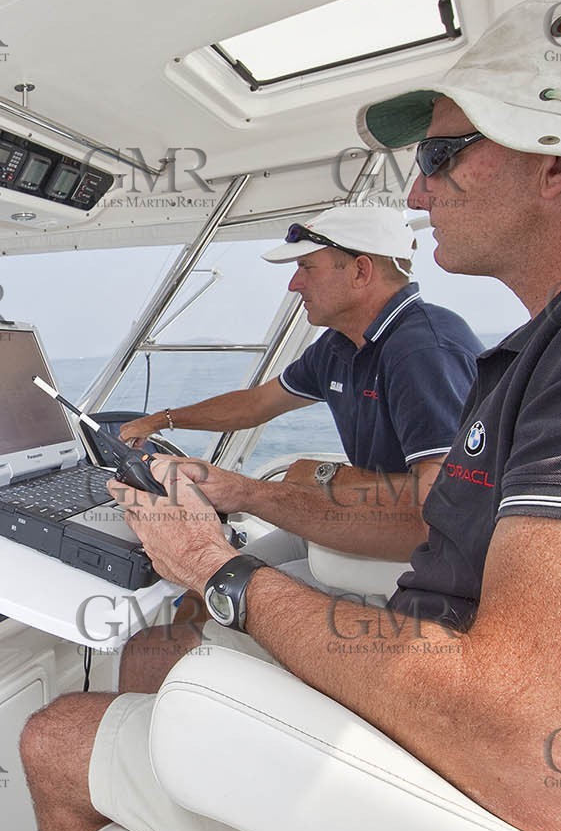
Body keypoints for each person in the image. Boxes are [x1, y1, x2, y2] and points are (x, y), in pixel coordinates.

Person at [0, 0, 561, 831]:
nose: (418, 190)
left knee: (55, 735)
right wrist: (224, 480)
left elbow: (542, 758)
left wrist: (222, 571)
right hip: (457, 725)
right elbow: (291, 423)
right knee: (163, 654)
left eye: (442, 155)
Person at [117, 206, 482, 693]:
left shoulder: (423, 350)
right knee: (194, 597)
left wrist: (254, 492)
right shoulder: (339, 345)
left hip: (416, 561)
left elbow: (434, 512)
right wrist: (162, 419)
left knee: (165, 641)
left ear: (360, 269)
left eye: (305, 267)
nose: (294, 285)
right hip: (362, 523)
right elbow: (256, 404)